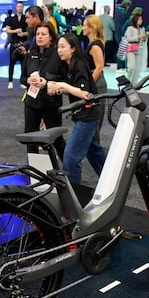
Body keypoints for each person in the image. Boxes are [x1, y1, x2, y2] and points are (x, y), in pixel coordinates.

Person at [48, 33, 106, 185]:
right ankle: (112, 181)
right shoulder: (69, 65)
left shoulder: (79, 65)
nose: (59, 50)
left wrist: (63, 85)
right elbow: (73, 89)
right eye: (58, 47)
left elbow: (85, 94)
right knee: (94, 152)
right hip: (84, 114)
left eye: (63, 47)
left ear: (73, 48)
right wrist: (59, 89)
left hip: (88, 115)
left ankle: (73, 195)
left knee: (71, 156)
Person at [20, 21, 65, 157]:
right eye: (38, 34)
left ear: (51, 37)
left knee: (57, 139)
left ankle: (70, 171)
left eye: (43, 34)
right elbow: (22, 77)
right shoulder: (31, 54)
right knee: (31, 139)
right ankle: (35, 174)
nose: (39, 37)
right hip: (31, 102)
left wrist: (47, 82)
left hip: (50, 103)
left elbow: (63, 78)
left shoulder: (57, 55)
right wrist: (27, 80)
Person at [82, 14, 108, 141]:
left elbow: (99, 67)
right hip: (96, 83)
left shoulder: (95, 46)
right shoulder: (93, 44)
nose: (82, 28)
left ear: (91, 28)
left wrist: (89, 84)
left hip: (97, 84)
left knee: (95, 120)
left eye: (84, 25)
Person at [4, 2, 27, 90]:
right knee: (12, 63)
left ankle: (22, 81)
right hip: (14, 44)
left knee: (24, 64)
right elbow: (7, 30)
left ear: (23, 7)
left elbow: (31, 31)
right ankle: (10, 81)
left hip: (24, 44)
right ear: (16, 8)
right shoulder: (11, 18)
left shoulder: (26, 18)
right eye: (18, 6)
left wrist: (24, 34)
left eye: (21, 6)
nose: (20, 8)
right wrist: (16, 31)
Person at [124, 13, 147, 85]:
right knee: (131, 67)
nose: (141, 21)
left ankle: (134, 83)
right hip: (131, 50)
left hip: (139, 49)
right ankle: (127, 81)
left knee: (137, 69)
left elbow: (143, 39)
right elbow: (128, 39)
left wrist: (144, 38)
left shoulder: (142, 29)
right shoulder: (130, 28)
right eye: (139, 19)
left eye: (141, 19)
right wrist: (138, 37)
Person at [114, 0, 132, 72]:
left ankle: (119, 66)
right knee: (123, 50)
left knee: (120, 49)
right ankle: (122, 66)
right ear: (127, 5)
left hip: (117, 34)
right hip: (123, 34)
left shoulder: (117, 12)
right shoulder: (126, 13)